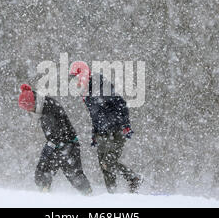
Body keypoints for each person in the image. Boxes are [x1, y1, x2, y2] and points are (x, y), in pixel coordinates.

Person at [70, 62, 142, 194]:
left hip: (116, 131)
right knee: (104, 167)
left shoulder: (101, 86)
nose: (75, 82)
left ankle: (134, 178)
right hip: (101, 133)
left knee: (108, 163)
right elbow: (95, 116)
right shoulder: (86, 93)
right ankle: (112, 194)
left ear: (83, 75)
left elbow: (121, 104)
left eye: (75, 77)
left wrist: (125, 125)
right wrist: (94, 133)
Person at [18, 83, 92, 195]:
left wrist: (52, 146)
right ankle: (44, 191)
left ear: (33, 103)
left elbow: (57, 132)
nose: (30, 111)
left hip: (68, 143)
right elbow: (53, 134)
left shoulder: (48, 108)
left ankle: (89, 196)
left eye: (30, 108)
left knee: (73, 173)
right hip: (57, 143)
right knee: (43, 170)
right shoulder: (42, 106)